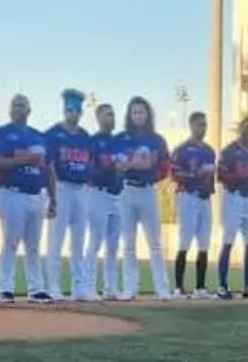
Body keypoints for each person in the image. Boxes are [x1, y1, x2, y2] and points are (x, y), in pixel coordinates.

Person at [0, 94, 53, 303]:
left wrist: (53, 197)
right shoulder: (1, 134)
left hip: (37, 194)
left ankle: (36, 289)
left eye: (23, 106)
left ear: (29, 110)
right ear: (10, 110)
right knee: (11, 241)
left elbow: (48, 169)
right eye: (15, 105)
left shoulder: (39, 136)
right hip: (12, 192)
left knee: (34, 244)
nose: (19, 109)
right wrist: (24, 159)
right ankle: (5, 288)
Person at [117, 96, 172, 301]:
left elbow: (164, 168)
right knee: (128, 243)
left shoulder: (157, 140)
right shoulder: (121, 138)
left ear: (148, 115)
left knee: (155, 242)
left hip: (148, 190)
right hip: (127, 190)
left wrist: (147, 168)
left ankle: (162, 288)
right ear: (129, 115)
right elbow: (118, 166)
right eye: (135, 112)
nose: (138, 115)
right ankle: (130, 288)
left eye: (142, 112)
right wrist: (136, 163)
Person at [43, 89, 91, 301]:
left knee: (79, 241)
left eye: (77, 110)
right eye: (70, 109)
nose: (74, 113)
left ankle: (79, 286)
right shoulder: (52, 134)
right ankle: (52, 285)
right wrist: (51, 196)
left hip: (80, 189)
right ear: (64, 110)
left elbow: (89, 164)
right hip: (61, 187)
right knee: (56, 240)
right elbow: (49, 166)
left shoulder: (84, 136)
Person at [215, 117, 248, 300]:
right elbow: (220, 176)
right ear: (240, 130)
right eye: (247, 128)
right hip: (233, 197)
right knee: (229, 239)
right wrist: (241, 175)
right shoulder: (229, 151)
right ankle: (222, 285)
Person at [171, 111, 217, 299]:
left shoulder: (209, 150)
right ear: (191, 126)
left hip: (205, 198)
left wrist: (209, 184)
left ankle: (200, 287)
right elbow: (174, 174)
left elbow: (212, 175)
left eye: (205, 125)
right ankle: (178, 287)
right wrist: (197, 173)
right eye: (199, 125)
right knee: (185, 240)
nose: (203, 128)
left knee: (204, 242)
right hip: (188, 197)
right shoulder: (182, 149)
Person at [81, 103, 123, 301]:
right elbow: (87, 171)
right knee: (95, 241)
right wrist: (107, 166)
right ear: (98, 118)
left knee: (113, 244)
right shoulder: (93, 142)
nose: (112, 118)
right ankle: (88, 286)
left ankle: (110, 287)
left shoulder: (118, 141)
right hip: (97, 193)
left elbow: (125, 167)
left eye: (113, 114)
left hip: (117, 195)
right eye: (108, 114)